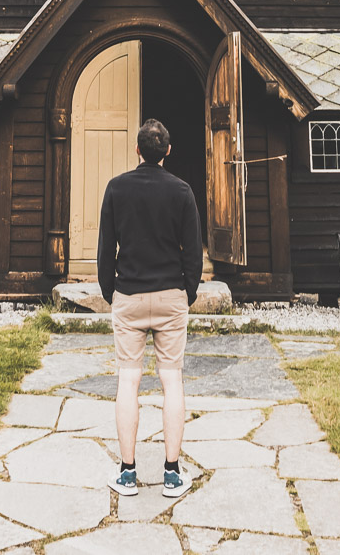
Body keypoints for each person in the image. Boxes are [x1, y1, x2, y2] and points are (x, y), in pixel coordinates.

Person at [97, 116, 203, 498]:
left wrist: (112, 292)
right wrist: (186, 293)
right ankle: (172, 474)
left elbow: (106, 248)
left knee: (129, 380)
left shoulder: (116, 188)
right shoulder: (182, 191)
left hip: (129, 295)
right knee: (171, 380)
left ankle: (127, 474)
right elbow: (193, 251)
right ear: (168, 151)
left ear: (138, 149)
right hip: (171, 295)